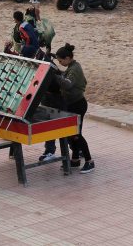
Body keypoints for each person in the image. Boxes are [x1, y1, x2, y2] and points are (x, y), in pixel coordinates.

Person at [54, 44, 95, 173]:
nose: (60, 63)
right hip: (72, 104)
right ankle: (75, 159)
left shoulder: (75, 69)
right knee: (71, 133)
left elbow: (68, 84)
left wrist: (55, 75)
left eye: (61, 61)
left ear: (67, 58)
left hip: (78, 104)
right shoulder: (71, 67)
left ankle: (89, 161)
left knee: (76, 134)